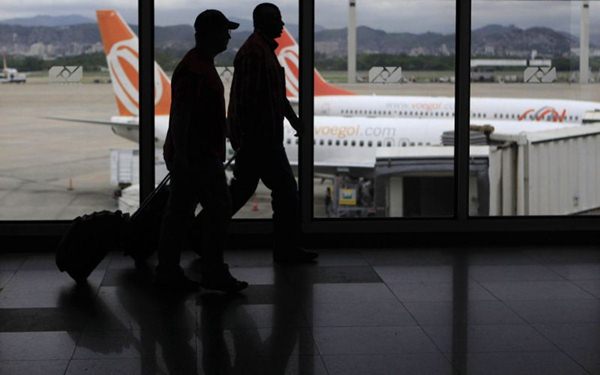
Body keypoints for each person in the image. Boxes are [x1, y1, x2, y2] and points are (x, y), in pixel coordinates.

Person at [155, 9, 248, 292]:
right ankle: (210, 271)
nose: (229, 36)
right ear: (207, 34)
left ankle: (172, 271)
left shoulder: (201, 65)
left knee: (182, 214)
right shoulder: (195, 69)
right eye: (224, 31)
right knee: (215, 210)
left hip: (200, 156)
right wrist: (181, 156)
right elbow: (182, 115)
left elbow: (201, 114)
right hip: (197, 158)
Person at [227, 3, 318, 263]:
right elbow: (248, 100)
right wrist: (250, 138)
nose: (283, 24)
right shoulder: (255, 53)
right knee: (286, 191)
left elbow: (275, 95)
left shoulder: (262, 50)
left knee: (242, 191)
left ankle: (199, 236)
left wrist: (293, 120)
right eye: (277, 19)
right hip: (261, 140)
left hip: (262, 139)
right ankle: (286, 249)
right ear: (264, 22)